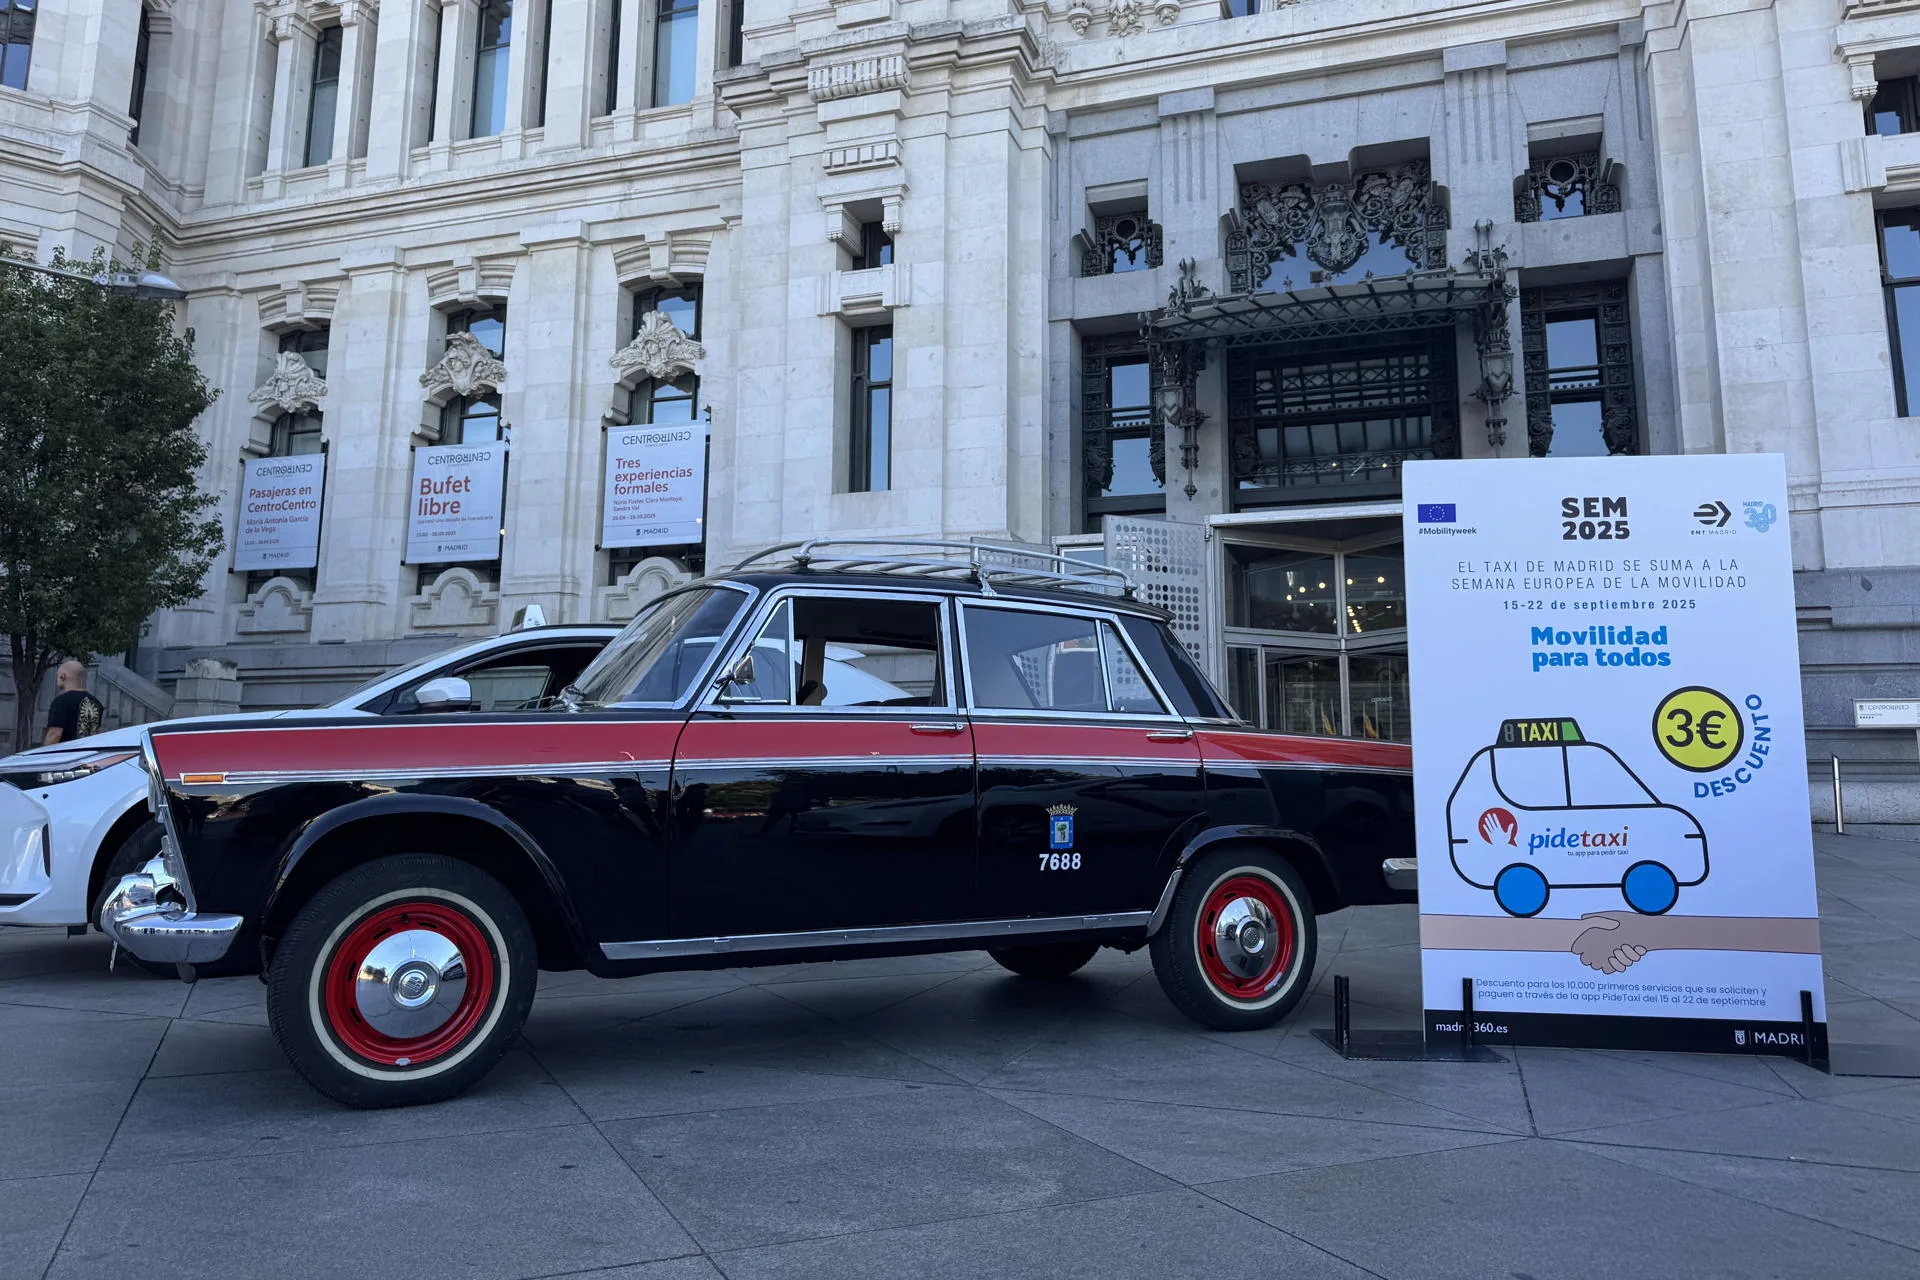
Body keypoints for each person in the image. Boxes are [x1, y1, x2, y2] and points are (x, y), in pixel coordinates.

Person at [43, 660, 105, 745]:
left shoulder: (61, 701)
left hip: (66, 752)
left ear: (62, 676)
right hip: (88, 751)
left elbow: (54, 734)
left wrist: (43, 752)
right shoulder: (96, 703)